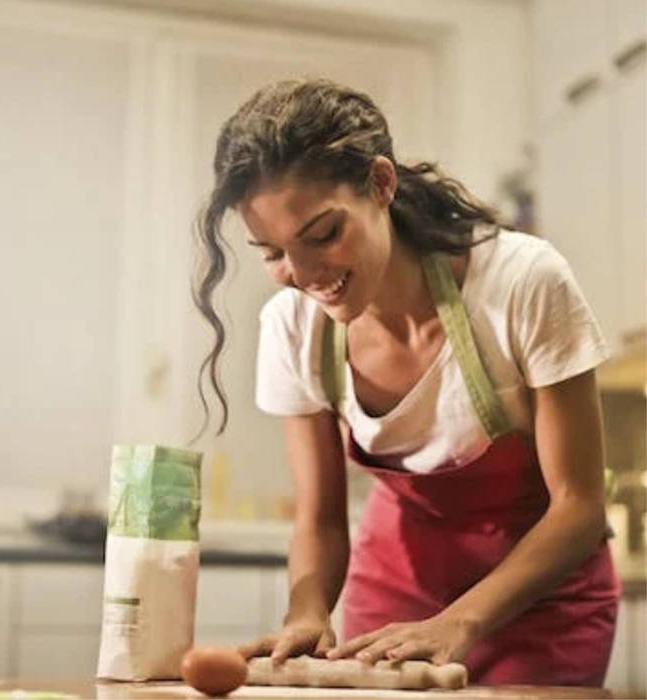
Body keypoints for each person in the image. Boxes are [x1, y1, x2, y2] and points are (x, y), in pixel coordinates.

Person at [193, 78, 620, 686]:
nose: (305, 274)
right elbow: (319, 518)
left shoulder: (522, 284)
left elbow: (579, 507)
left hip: (542, 610)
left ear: (382, 184)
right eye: (273, 253)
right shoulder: (293, 327)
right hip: (390, 607)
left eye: (322, 235)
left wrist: (460, 622)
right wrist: (306, 612)